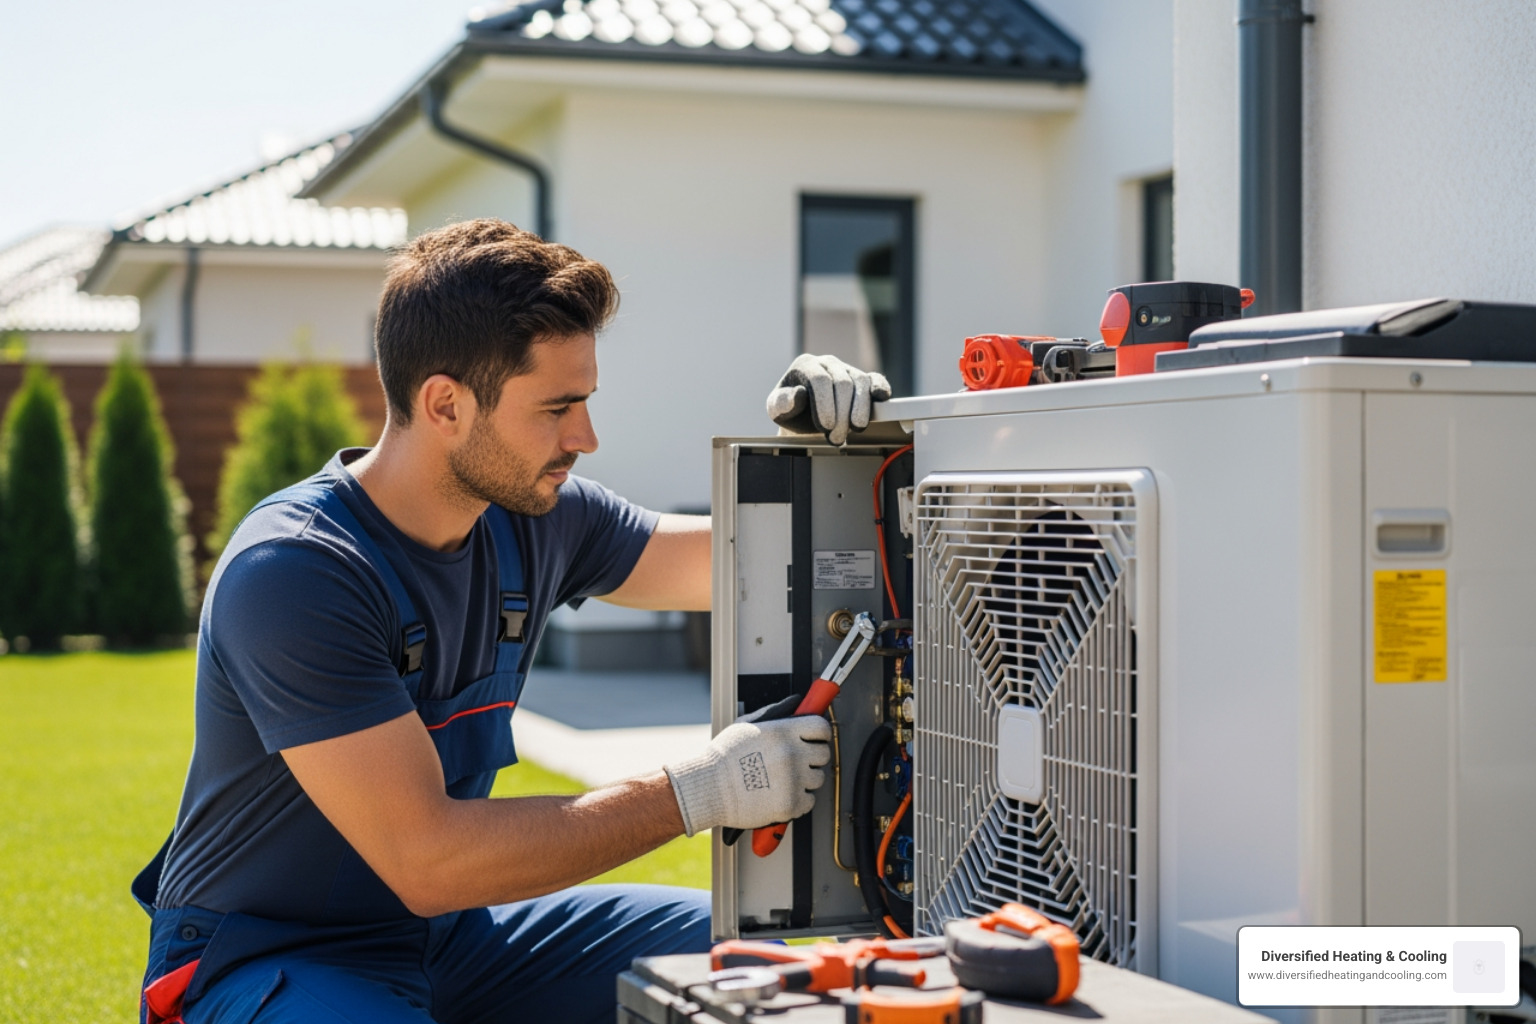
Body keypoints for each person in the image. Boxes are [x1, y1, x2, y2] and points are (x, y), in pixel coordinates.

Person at [134, 219, 889, 1024]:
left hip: (451, 940)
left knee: (747, 974)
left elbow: (744, 561)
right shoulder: (296, 571)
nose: (585, 438)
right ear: (446, 404)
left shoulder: (536, 516)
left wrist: (830, 452)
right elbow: (430, 859)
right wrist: (700, 790)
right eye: (557, 408)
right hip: (269, 956)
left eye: (586, 403)